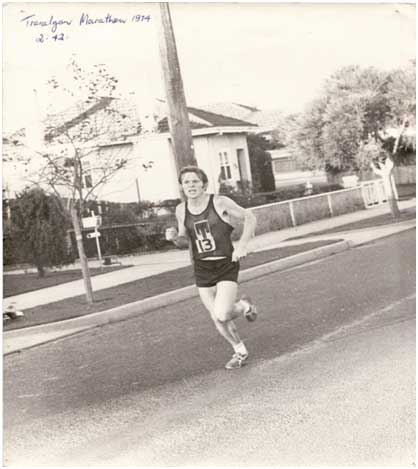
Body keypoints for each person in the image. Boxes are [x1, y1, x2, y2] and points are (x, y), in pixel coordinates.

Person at [165, 165, 258, 370]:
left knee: (223, 313)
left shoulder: (219, 201)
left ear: (203, 184)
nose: (191, 185)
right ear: (181, 186)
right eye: (186, 182)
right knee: (216, 317)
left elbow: (249, 217)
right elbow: (184, 240)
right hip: (202, 267)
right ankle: (240, 352)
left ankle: (244, 306)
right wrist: (173, 239)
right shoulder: (181, 210)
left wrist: (242, 245)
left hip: (225, 263)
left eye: (195, 181)